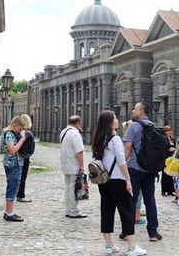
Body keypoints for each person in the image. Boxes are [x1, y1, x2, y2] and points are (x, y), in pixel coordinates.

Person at [93, 110, 147, 256]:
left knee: (107, 210)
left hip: (103, 180)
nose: (117, 120)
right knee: (127, 211)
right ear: (110, 122)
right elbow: (121, 161)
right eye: (115, 118)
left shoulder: (99, 138)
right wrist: (128, 179)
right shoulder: (115, 139)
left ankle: (109, 245)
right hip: (117, 179)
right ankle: (132, 246)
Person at [122, 102, 162, 242]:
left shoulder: (133, 126)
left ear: (141, 111)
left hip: (135, 168)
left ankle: (127, 232)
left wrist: (122, 164)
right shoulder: (152, 125)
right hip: (150, 169)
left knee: (131, 200)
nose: (132, 110)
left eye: (135, 108)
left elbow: (127, 146)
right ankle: (153, 232)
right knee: (150, 200)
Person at [60, 115, 87, 218]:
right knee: (73, 188)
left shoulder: (64, 132)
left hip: (65, 164)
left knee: (68, 187)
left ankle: (68, 210)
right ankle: (73, 211)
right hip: (73, 164)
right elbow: (79, 152)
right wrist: (81, 166)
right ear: (78, 123)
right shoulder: (75, 134)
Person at [2, 116, 27, 222]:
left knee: (13, 187)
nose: (20, 131)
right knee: (12, 188)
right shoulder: (9, 134)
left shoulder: (11, 134)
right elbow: (12, 150)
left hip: (15, 164)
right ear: (15, 125)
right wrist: (22, 139)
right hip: (12, 164)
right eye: (20, 129)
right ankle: (9, 213)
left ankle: (9, 211)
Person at [16, 114, 35, 203]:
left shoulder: (19, 132)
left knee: (19, 176)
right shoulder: (27, 133)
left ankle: (18, 194)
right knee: (22, 177)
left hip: (20, 156)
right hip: (24, 157)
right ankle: (21, 195)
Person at [161, 126, 176, 197]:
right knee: (164, 175)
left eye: (170, 130)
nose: (170, 132)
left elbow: (175, 146)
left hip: (172, 159)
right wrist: (169, 148)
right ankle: (163, 190)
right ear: (165, 132)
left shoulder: (172, 139)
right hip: (165, 159)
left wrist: (173, 148)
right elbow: (164, 148)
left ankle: (170, 191)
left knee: (170, 174)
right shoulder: (163, 139)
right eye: (168, 131)